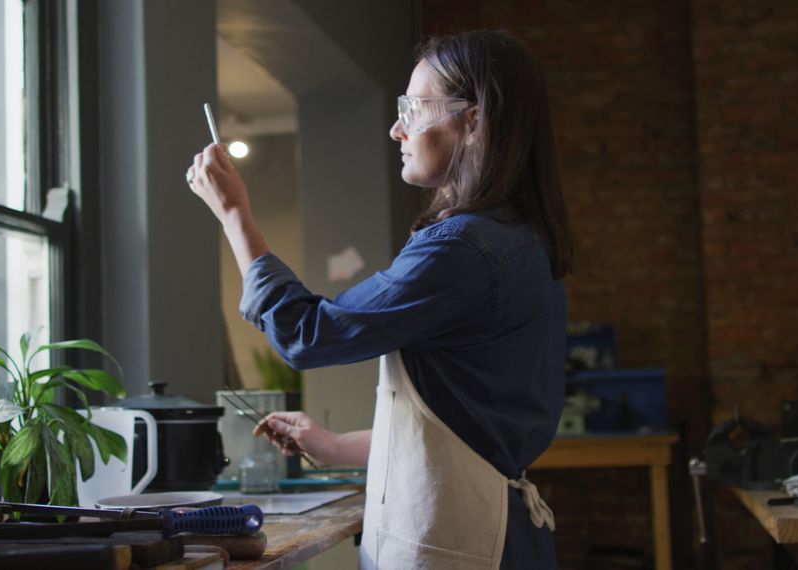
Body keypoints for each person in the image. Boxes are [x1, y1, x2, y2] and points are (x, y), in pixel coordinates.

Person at [187, 30, 573, 570]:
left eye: (413, 109)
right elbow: (464, 433)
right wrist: (333, 443)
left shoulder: (462, 249)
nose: (397, 129)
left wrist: (234, 215)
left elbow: (305, 333)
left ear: (474, 119)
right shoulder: (522, 241)